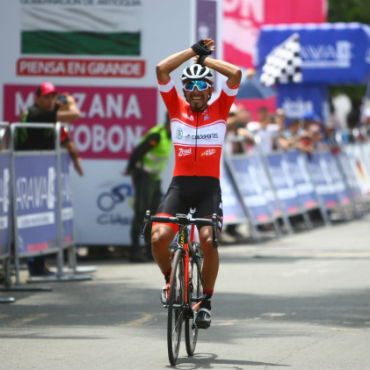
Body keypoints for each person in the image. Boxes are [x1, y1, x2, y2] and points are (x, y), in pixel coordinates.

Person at [152, 38, 241, 329]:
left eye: (202, 86)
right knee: (158, 238)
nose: (195, 91)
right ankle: (169, 279)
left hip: (208, 188)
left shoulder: (221, 108)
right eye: (190, 86)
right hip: (179, 186)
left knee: (208, 240)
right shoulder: (176, 107)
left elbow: (236, 74)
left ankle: (206, 300)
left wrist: (204, 62)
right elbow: (161, 70)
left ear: (210, 89)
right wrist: (192, 52)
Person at [17, 81, 83, 276]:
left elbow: (66, 140)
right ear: (37, 98)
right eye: (46, 97)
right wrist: (70, 102)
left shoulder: (44, 114)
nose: (50, 100)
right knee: (33, 220)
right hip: (28, 175)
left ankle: (39, 264)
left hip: (35, 176)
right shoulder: (38, 113)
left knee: (40, 220)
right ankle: (35, 266)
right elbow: (75, 115)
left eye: (53, 97)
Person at [124, 114, 171, 263]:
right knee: (141, 212)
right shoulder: (157, 135)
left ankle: (150, 250)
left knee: (153, 215)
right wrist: (130, 168)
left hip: (154, 179)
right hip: (144, 177)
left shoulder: (170, 136)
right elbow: (138, 151)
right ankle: (135, 251)